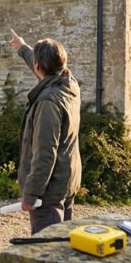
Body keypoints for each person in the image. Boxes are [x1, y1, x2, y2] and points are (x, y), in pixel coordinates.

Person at [8, 29, 81, 235]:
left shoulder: (48, 102)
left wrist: (31, 194)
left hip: (48, 193)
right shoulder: (69, 83)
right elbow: (40, 65)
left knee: (46, 251)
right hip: (66, 181)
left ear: (39, 66)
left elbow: (45, 153)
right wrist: (22, 48)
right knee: (63, 245)